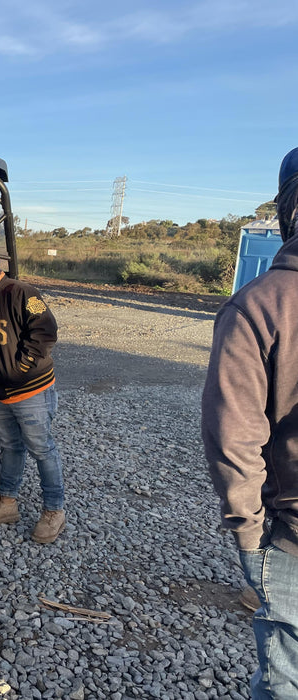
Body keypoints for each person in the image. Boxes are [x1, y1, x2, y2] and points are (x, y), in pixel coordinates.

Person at [201, 146, 298, 699]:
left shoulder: (261, 305)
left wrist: (249, 531)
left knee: (285, 683)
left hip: (289, 542)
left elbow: (234, 437)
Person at [0, 245, 65, 543]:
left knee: (41, 449)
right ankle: (7, 503)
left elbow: (46, 330)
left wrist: (22, 367)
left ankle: (54, 511)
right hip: (0, 395)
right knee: (11, 447)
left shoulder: (24, 293)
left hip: (30, 390)